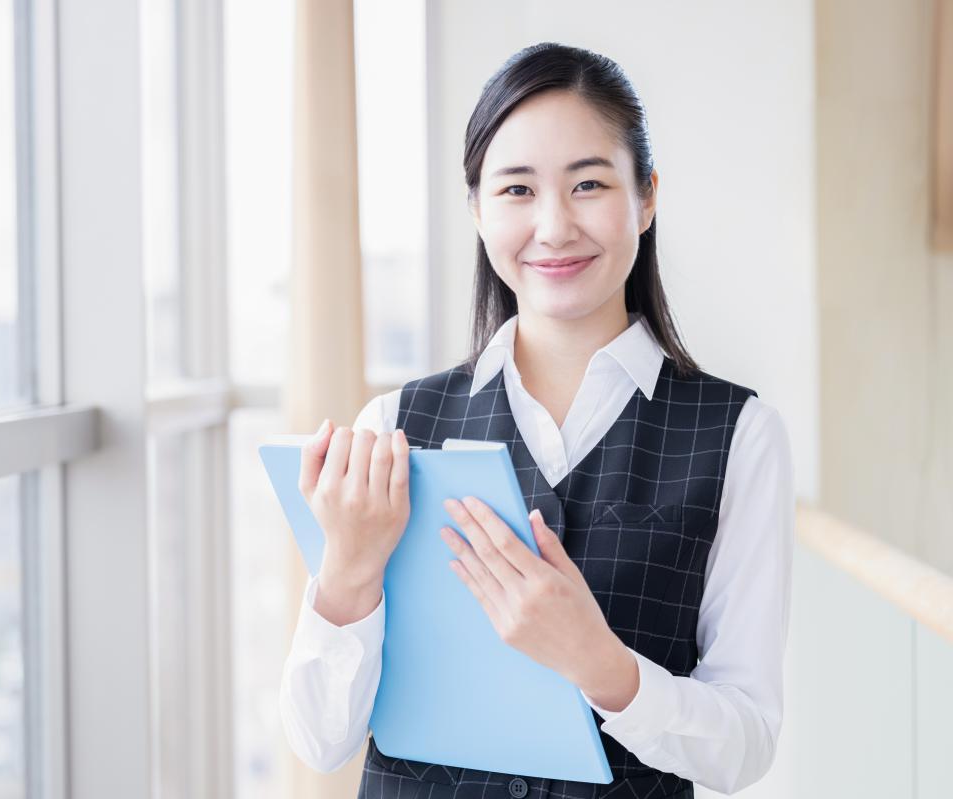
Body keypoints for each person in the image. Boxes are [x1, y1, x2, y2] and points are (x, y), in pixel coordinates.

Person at [279, 41, 794, 799]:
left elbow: (745, 743)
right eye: (517, 190)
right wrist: (349, 572)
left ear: (646, 195)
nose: (553, 227)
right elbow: (321, 740)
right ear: (477, 208)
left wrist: (602, 664)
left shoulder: (739, 435)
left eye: (588, 183)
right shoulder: (394, 423)